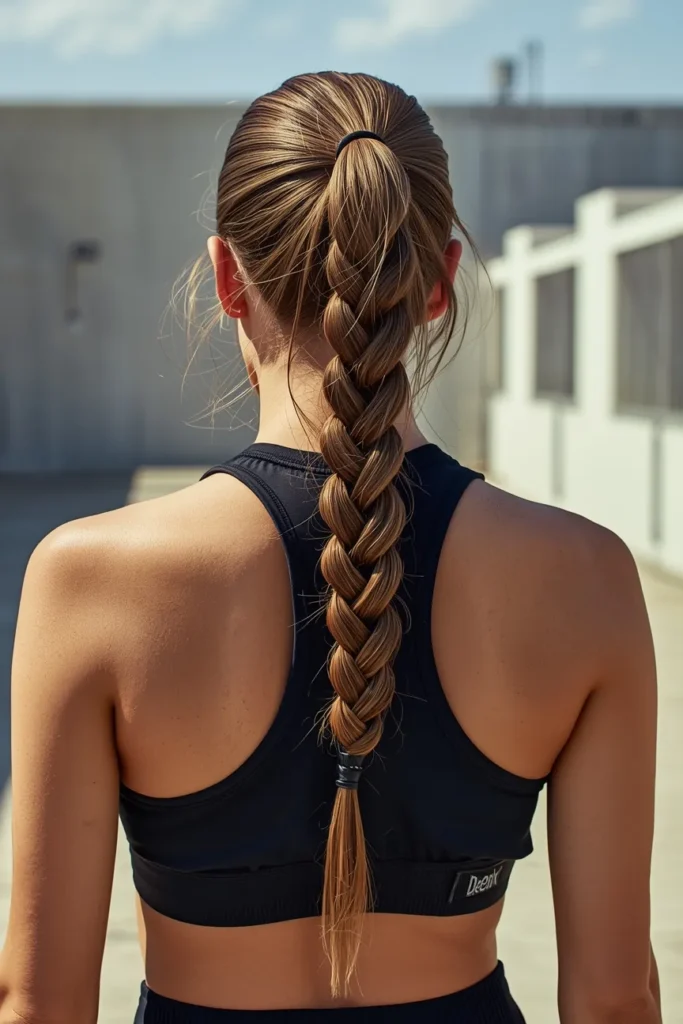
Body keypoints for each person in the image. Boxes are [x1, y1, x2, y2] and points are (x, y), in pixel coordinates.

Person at [0, 72, 661, 1024]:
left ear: (227, 278)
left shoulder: (91, 581)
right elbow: (612, 998)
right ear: (437, 283)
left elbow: (39, 1002)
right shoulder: (585, 578)